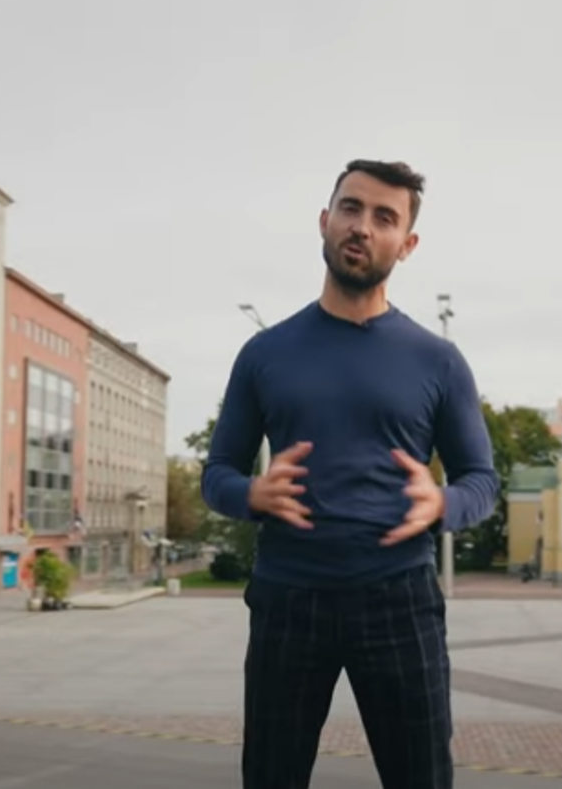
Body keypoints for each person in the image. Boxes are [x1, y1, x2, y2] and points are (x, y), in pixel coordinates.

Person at [202, 159, 500, 789]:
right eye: (350, 208)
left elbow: (482, 479)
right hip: (289, 599)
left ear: (407, 244)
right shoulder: (265, 353)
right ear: (325, 221)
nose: (362, 226)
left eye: (384, 217)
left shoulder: (438, 361)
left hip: (399, 600)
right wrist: (251, 493)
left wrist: (441, 504)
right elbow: (217, 473)